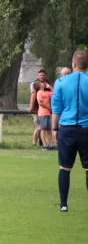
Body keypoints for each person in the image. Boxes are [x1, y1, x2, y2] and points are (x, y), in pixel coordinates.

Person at [51, 51, 88, 212]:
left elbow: (56, 108)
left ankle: (64, 204)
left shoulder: (60, 82)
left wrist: (54, 128)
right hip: (86, 129)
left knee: (65, 167)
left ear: (73, 64)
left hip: (66, 128)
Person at [28, 70, 52, 146]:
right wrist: (31, 108)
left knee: (45, 128)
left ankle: (42, 143)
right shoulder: (34, 84)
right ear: (37, 76)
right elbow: (33, 96)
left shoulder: (47, 84)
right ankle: (33, 143)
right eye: (40, 75)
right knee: (38, 127)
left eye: (43, 75)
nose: (41, 77)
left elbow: (50, 94)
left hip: (46, 110)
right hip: (37, 109)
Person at [34, 81, 55, 150]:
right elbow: (40, 103)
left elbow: (55, 93)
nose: (43, 83)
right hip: (42, 113)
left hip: (48, 113)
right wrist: (49, 107)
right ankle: (44, 145)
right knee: (43, 129)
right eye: (41, 83)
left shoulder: (47, 93)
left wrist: (50, 87)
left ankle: (51, 145)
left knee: (49, 130)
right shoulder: (39, 93)